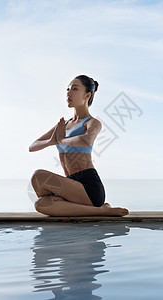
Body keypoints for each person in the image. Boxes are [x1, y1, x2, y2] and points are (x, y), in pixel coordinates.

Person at [29, 75, 129, 217]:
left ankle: (101, 210)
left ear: (87, 95)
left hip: (88, 186)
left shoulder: (92, 123)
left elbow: (86, 140)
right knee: (41, 204)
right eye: (68, 89)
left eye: (75, 89)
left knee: (38, 176)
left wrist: (60, 140)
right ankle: (100, 210)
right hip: (71, 185)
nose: (69, 93)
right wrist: (51, 141)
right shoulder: (64, 125)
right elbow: (33, 146)